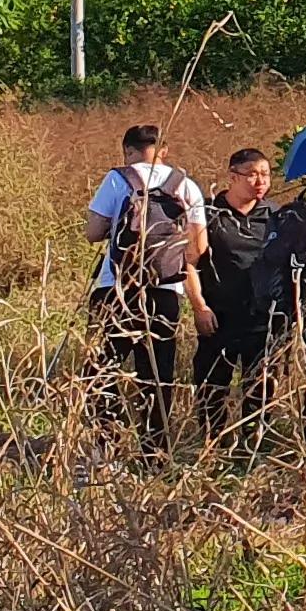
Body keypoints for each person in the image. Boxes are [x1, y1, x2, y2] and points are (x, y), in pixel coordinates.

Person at [81, 123, 205, 453]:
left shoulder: (118, 179)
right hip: (166, 291)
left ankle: (106, 448)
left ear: (128, 150)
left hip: (117, 288)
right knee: (157, 373)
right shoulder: (186, 186)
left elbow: (93, 232)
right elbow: (199, 246)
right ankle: (156, 452)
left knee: (101, 369)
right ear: (163, 150)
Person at [193, 148, 304, 456]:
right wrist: (199, 305)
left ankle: (251, 449)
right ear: (232, 177)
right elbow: (190, 262)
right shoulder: (210, 214)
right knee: (211, 386)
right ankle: (211, 447)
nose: (260, 181)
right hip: (219, 316)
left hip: (263, 319)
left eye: (265, 174)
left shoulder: (275, 217)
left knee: (260, 387)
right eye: (252, 174)